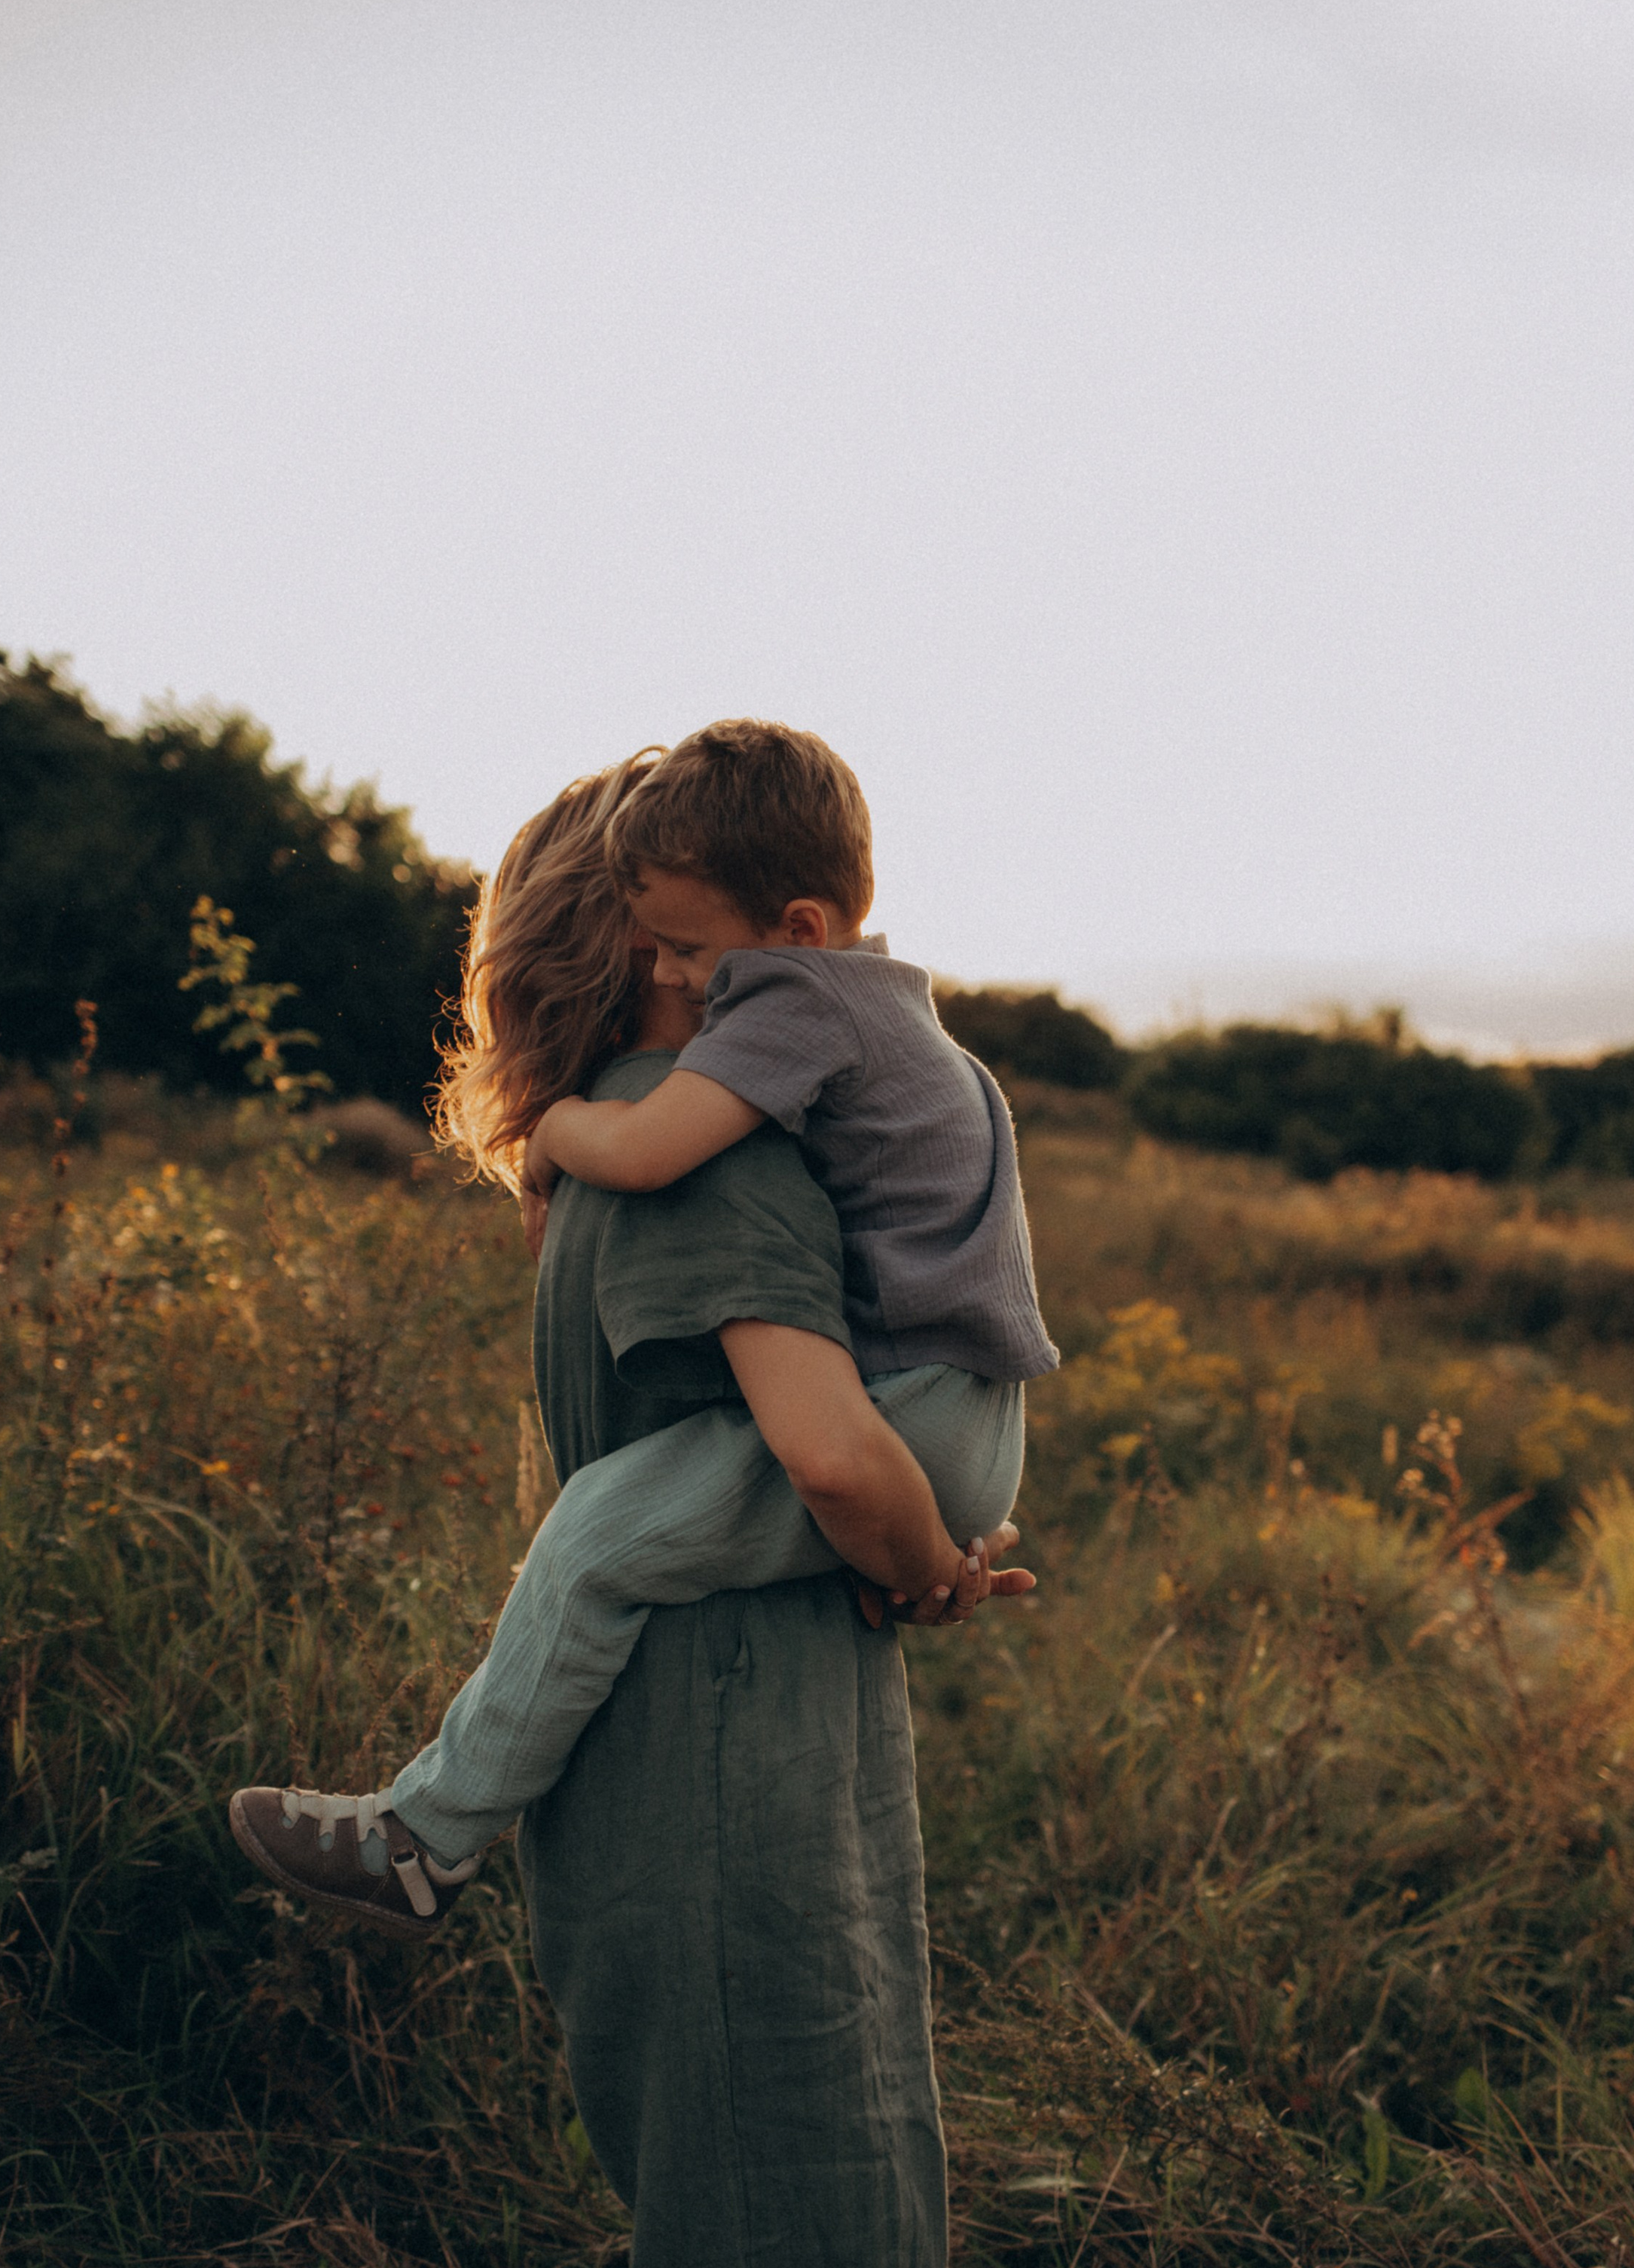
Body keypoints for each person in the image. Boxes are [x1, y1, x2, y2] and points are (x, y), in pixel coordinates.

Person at [232, 755, 1035, 2268]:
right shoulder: (718, 1168)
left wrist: (921, 1559)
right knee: (789, 2251)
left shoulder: (702, 1165)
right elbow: (825, 1459)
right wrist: (932, 1572)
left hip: (701, 1755)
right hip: (726, 1764)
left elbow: (818, 1454)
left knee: (764, 2242)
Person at [230, 723, 1053, 1919]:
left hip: (889, 1464)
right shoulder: (896, 1020)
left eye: (685, 946)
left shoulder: (762, 1058)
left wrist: (549, 1136)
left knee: (594, 1535)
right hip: (957, 1423)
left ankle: (427, 1836)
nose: (672, 972)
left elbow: (828, 1449)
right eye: (657, 946)